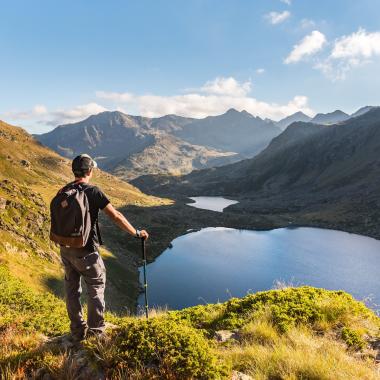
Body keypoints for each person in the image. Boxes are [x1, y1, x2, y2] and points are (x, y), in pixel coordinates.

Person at [59, 154, 148, 341]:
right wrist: (136, 233)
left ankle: (77, 331)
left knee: (72, 291)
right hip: (87, 252)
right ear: (90, 170)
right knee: (96, 288)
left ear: (74, 171)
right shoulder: (93, 191)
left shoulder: (63, 191)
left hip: (66, 250)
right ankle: (96, 333)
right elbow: (116, 216)